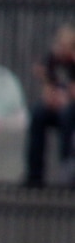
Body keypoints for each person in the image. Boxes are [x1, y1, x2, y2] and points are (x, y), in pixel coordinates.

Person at [24, 23, 75, 188]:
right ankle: (34, 174)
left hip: (70, 106)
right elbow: (47, 89)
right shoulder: (52, 60)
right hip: (58, 103)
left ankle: (66, 173)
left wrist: (64, 97)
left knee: (67, 115)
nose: (62, 50)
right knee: (38, 113)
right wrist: (51, 96)